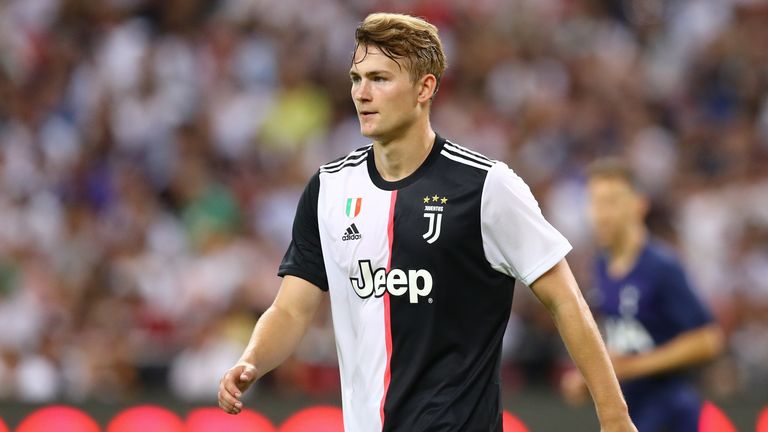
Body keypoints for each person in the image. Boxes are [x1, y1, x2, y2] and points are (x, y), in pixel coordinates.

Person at [219, 13, 636, 431]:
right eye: (356, 78)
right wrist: (251, 359)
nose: (362, 93)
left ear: (425, 87)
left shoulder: (486, 187)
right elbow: (291, 308)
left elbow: (566, 301)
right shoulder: (329, 188)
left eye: (380, 78)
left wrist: (614, 416)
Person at [561, 159, 724, 431]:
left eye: (611, 202)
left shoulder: (662, 266)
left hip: (670, 412)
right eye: (594, 202)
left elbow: (708, 340)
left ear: (639, 204)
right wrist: (592, 379)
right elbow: (625, 340)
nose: (601, 214)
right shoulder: (600, 266)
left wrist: (633, 367)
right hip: (631, 411)